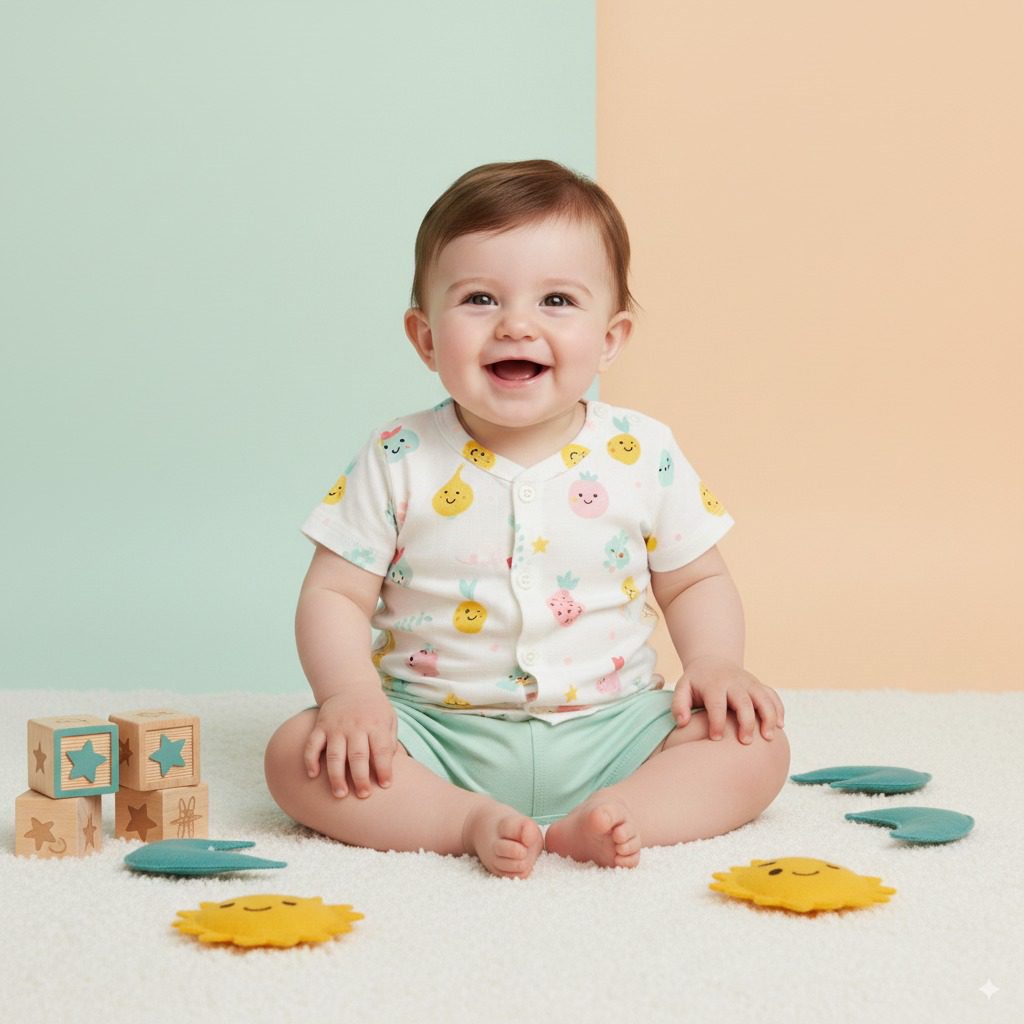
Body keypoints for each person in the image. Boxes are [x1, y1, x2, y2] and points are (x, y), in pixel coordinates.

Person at [264, 159, 789, 878]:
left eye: (557, 302)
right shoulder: (399, 456)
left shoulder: (642, 451)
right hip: (435, 736)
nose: (517, 325)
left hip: (613, 731)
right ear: (424, 337)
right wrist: (350, 698)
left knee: (755, 745)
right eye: (480, 298)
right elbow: (333, 593)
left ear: (610, 337)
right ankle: (463, 821)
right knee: (296, 755)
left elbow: (695, 580)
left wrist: (714, 664)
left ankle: (625, 813)